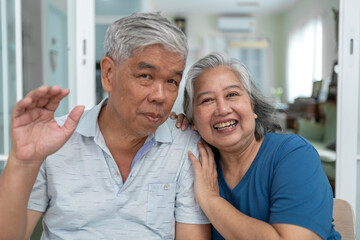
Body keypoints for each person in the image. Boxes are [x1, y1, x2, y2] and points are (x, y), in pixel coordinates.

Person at [0, 12, 211, 240]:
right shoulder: (52, 140)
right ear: (108, 73)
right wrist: (23, 162)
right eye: (146, 76)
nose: (160, 96)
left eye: (171, 81)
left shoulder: (186, 148)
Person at [182, 52, 341, 239]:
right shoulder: (196, 167)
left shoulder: (294, 154)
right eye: (207, 100)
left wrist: (210, 200)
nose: (223, 109)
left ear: (253, 107)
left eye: (232, 94)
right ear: (192, 119)